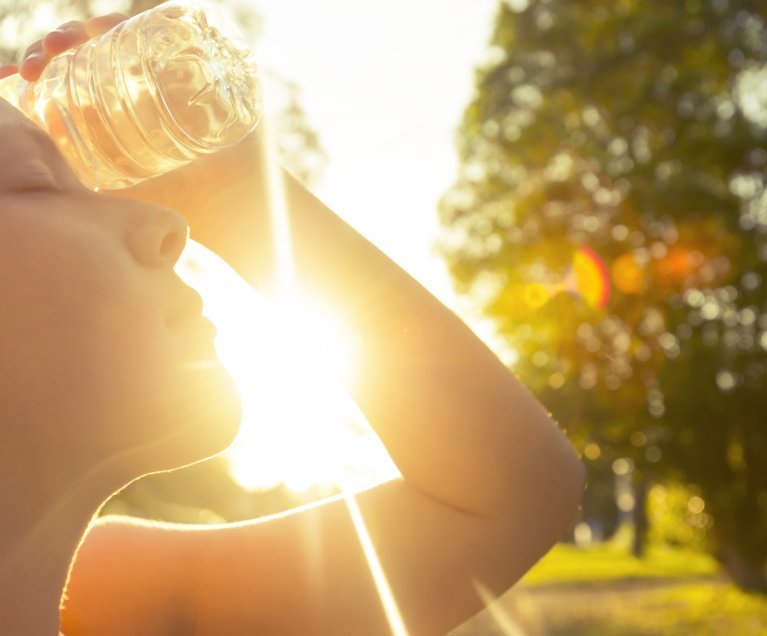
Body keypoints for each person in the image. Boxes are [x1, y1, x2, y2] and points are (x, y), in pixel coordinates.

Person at [0, 13, 585, 636]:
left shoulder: (101, 599)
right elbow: (506, 502)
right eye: (37, 182)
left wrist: (236, 193)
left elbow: (512, 494)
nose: (170, 229)